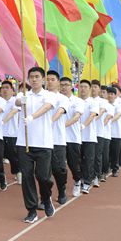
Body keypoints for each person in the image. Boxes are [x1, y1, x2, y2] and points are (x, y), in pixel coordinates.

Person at [15, 67, 56, 224]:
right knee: (26, 176)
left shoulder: (49, 95)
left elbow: (46, 107)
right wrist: (21, 101)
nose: (34, 79)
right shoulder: (24, 94)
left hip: (43, 142)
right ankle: (31, 210)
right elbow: (16, 102)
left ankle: (46, 198)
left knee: (43, 176)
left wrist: (32, 117)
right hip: (24, 142)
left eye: (37, 76)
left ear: (43, 79)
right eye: (31, 77)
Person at [45, 70, 69, 205]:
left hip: (58, 139)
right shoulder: (41, 96)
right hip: (43, 140)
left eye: (52, 79)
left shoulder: (63, 98)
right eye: (47, 79)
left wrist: (48, 123)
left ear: (58, 82)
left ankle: (62, 190)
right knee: (44, 172)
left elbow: (60, 112)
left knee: (59, 169)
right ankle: (45, 197)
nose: (49, 82)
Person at [60, 77, 84, 198]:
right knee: (59, 166)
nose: (64, 87)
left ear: (71, 86)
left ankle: (77, 180)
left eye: (66, 85)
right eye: (62, 85)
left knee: (73, 164)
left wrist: (62, 125)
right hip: (59, 138)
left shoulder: (77, 101)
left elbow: (76, 117)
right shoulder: (57, 99)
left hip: (72, 138)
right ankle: (62, 187)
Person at [77, 79, 99, 194]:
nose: (83, 89)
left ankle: (87, 182)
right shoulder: (76, 101)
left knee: (89, 160)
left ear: (89, 89)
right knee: (78, 160)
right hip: (76, 137)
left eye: (85, 87)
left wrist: (83, 125)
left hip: (89, 136)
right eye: (81, 87)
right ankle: (80, 179)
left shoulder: (93, 102)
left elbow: (92, 115)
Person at [1, 81, 21, 184]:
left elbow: (13, 112)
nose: (5, 90)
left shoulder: (15, 101)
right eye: (3, 88)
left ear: (12, 91)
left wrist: (3, 121)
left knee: (13, 156)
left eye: (7, 87)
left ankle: (18, 172)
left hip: (12, 133)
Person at [93, 81, 111, 186]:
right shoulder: (86, 100)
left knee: (98, 155)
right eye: (92, 87)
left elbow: (101, 113)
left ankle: (97, 175)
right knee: (87, 156)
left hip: (99, 132)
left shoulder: (103, 102)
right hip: (86, 133)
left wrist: (91, 120)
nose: (93, 89)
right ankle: (87, 175)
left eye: (95, 87)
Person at [107, 86, 121, 178]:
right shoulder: (104, 105)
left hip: (116, 133)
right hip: (105, 134)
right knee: (106, 153)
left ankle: (115, 169)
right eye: (108, 94)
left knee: (115, 152)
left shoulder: (118, 105)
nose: (110, 96)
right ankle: (106, 169)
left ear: (115, 95)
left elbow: (118, 114)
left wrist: (109, 121)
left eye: (112, 94)